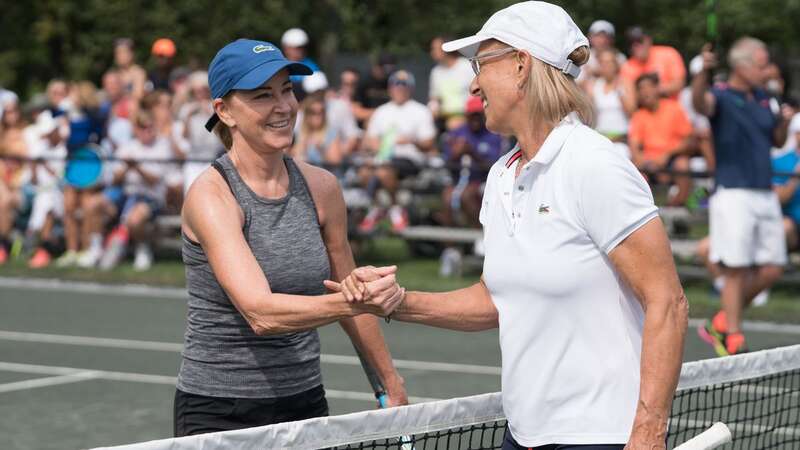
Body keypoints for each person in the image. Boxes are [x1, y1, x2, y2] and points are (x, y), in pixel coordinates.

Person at [332, 3, 687, 449]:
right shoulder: (501, 175)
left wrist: (649, 433)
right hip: (522, 433)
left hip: (602, 435)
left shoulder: (596, 165)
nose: (474, 83)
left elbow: (668, 302)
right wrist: (396, 302)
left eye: (482, 65)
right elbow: (497, 300)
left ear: (522, 66)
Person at [175, 38, 407, 436]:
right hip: (219, 412)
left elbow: (346, 284)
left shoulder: (322, 188)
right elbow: (261, 313)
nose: (283, 106)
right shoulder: (211, 196)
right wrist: (353, 302)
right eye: (263, 96)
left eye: (287, 90)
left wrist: (388, 380)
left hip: (305, 403)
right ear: (224, 111)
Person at [692, 38, 795, 356]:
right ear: (742, 65)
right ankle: (733, 334)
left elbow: (776, 142)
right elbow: (699, 104)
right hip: (734, 193)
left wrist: (786, 123)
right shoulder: (720, 96)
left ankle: (722, 321)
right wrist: (701, 73)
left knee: (774, 267)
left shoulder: (766, 98)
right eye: (763, 64)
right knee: (734, 268)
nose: (769, 70)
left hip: (764, 192)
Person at [358, 70, 437, 233]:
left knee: (384, 171)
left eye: (404, 87)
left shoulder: (421, 111)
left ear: (410, 89)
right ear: (390, 88)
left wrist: (411, 141)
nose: (400, 90)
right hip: (383, 158)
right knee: (364, 172)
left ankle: (394, 209)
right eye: (396, 86)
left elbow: (429, 142)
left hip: (409, 159)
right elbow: (369, 139)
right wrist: (377, 145)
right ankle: (379, 207)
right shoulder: (381, 111)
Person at [438, 95, 506, 228]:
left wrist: (472, 152)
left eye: (478, 115)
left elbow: (495, 165)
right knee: (447, 197)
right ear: (466, 116)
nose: (474, 119)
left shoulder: (493, 134)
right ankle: (451, 246)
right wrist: (455, 154)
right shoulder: (456, 133)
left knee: (468, 196)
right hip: (457, 179)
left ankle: (478, 235)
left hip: (482, 180)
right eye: (471, 115)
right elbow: (446, 162)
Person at [628, 73, 694, 206]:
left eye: (648, 87)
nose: (645, 92)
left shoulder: (674, 108)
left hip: (671, 158)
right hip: (649, 163)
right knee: (634, 169)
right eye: (640, 89)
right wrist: (643, 161)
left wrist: (668, 154)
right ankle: (644, 210)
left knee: (683, 164)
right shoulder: (639, 115)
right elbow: (634, 145)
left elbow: (689, 140)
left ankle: (677, 208)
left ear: (657, 88)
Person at [22, 110, 67, 268]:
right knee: (44, 201)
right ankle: (38, 246)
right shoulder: (40, 145)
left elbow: (59, 177)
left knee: (47, 203)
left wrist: (43, 163)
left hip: (58, 193)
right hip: (38, 192)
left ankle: (40, 247)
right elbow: (33, 179)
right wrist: (35, 165)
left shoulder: (63, 149)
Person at [177, 71, 224, 193]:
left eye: (203, 89)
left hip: (213, 158)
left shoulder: (216, 107)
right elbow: (184, 136)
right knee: (190, 191)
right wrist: (189, 117)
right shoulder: (187, 108)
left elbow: (218, 131)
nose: (200, 93)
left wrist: (209, 114)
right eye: (197, 90)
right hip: (193, 159)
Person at [585, 48, 636, 156]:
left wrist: (620, 92)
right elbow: (588, 116)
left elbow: (631, 112)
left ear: (616, 64)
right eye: (602, 62)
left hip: (621, 141)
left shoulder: (626, 83)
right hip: (599, 139)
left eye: (609, 62)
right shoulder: (593, 85)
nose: (606, 65)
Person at [621, 27, 685, 99]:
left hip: (671, 105)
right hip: (643, 109)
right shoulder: (626, 67)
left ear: (649, 40)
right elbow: (629, 96)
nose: (636, 46)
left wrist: (650, 91)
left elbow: (678, 84)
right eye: (631, 43)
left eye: (640, 41)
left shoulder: (669, 53)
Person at [428, 36, 476, 131]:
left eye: (435, 49)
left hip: (471, 119)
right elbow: (434, 98)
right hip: (444, 122)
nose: (432, 52)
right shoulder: (436, 72)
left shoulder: (466, 66)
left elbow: (478, 93)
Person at [291, 91, 343, 166]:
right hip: (303, 174)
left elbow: (336, 161)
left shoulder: (331, 132)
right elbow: (291, 157)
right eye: (313, 112)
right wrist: (302, 148)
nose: (318, 116)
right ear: (306, 114)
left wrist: (321, 149)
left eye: (321, 111)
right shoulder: (298, 132)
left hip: (325, 174)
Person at [577, 20, 626, 86]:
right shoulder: (582, 57)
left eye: (606, 37)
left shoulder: (620, 58)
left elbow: (625, 84)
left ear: (612, 40)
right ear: (590, 38)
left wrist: (597, 72)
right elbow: (577, 84)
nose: (602, 40)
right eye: (598, 36)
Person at [352, 53, 396, 125]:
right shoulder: (364, 80)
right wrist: (381, 113)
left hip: (388, 124)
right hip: (365, 124)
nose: (386, 73)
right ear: (376, 66)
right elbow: (357, 112)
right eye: (383, 69)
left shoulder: (393, 80)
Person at [281, 28, 319, 101]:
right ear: (286, 48)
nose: (299, 51)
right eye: (296, 48)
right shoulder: (278, 65)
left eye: (301, 47)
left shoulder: (311, 66)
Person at [113, 38, 147, 102]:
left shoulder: (138, 73)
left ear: (131, 54)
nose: (119, 56)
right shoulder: (115, 73)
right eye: (117, 53)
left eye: (123, 52)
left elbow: (138, 96)